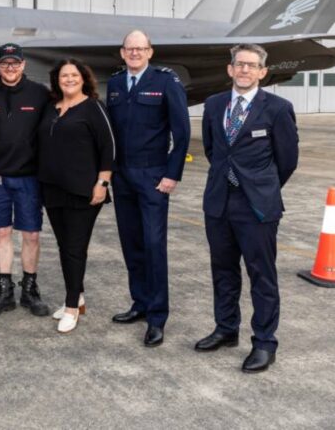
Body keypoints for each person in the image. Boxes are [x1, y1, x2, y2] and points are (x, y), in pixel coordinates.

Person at [195, 43, 299, 373]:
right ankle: (226, 329)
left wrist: (261, 187)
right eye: (239, 64)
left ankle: (265, 343)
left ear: (262, 72)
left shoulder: (278, 108)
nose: (244, 70)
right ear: (230, 69)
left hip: (256, 206)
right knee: (223, 271)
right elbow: (214, 150)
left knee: (261, 276)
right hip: (219, 202)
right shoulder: (213, 105)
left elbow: (287, 161)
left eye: (252, 66)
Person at [106, 30, 190, 348]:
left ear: (150, 52)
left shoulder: (165, 82)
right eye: (130, 48)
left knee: (154, 246)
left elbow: (182, 132)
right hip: (122, 176)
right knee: (132, 244)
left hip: (154, 176)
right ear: (122, 52)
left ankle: (157, 317)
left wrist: (172, 174)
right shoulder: (115, 84)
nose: (135, 53)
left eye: (141, 48)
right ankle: (139, 304)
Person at [37, 59, 114, 334]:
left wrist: (102, 183)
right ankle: (77, 297)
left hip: (84, 191)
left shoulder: (93, 108)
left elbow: (109, 148)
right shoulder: (51, 107)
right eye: (63, 76)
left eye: (74, 75)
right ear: (56, 80)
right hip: (52, 189)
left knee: (75, 248)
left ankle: (71, 308)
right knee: (64, 246)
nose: (68, 79)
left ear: (84, 78)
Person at [0, 43, 52, 319]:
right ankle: (4, 290)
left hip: (29, 178)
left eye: (15, 63)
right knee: (2, 233)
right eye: (5, 63)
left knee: (31, 234)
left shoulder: (39, 93)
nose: (10, 68)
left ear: (23, 65)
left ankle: (30, 289)